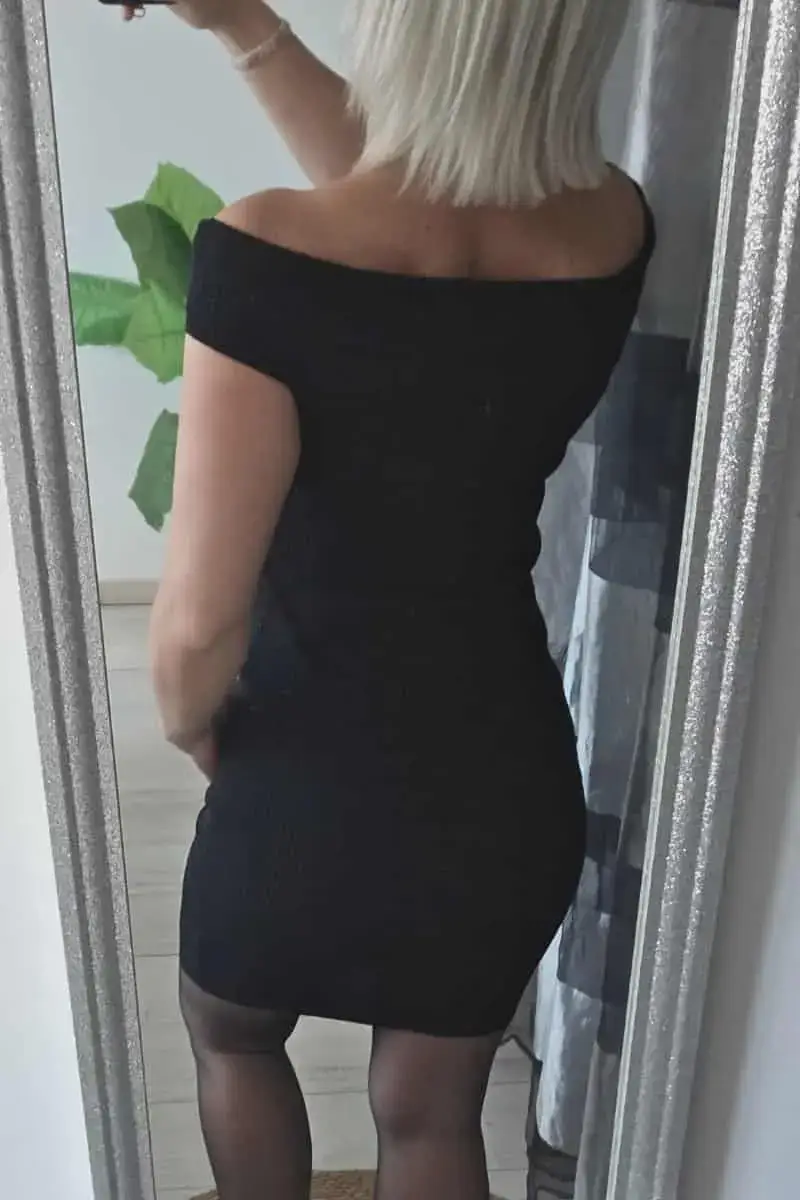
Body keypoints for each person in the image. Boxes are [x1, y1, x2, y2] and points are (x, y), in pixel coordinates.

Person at [130, 2, 653, 1198]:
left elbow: (195, 632)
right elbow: (422, 237)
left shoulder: (264, 249)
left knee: (230, 1037)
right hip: (500, 777)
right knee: (429, 1114)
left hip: (301, 761)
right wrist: (241, 25)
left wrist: (198, 727)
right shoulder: (609, 226)